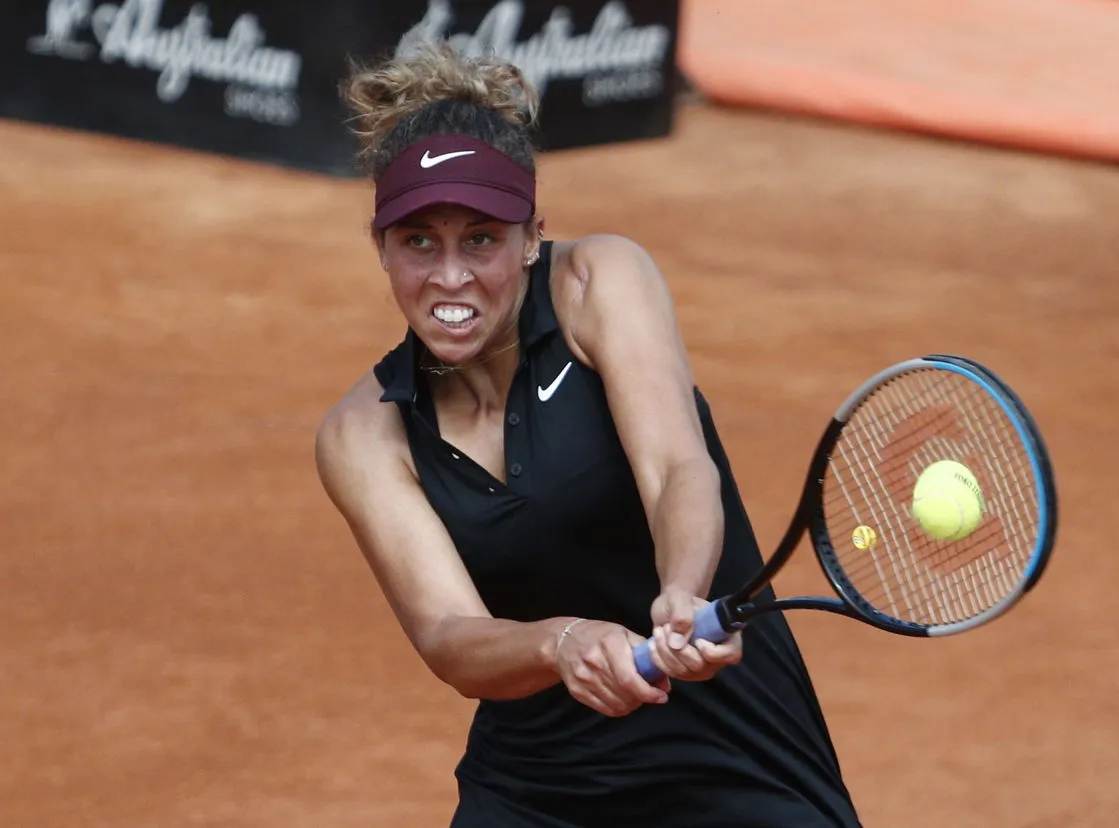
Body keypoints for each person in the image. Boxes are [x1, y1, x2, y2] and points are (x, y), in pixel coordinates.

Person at [314, 42, 861, 828]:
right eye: (419, 241)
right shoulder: (363, 435)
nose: (450, 276)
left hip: (732, 757)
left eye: (481, 238)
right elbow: (447, 634)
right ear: (382, 249)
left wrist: (681, 590)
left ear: (532, 237)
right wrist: (560, 644)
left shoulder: (597, 284)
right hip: (540, 793)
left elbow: (678, 468)